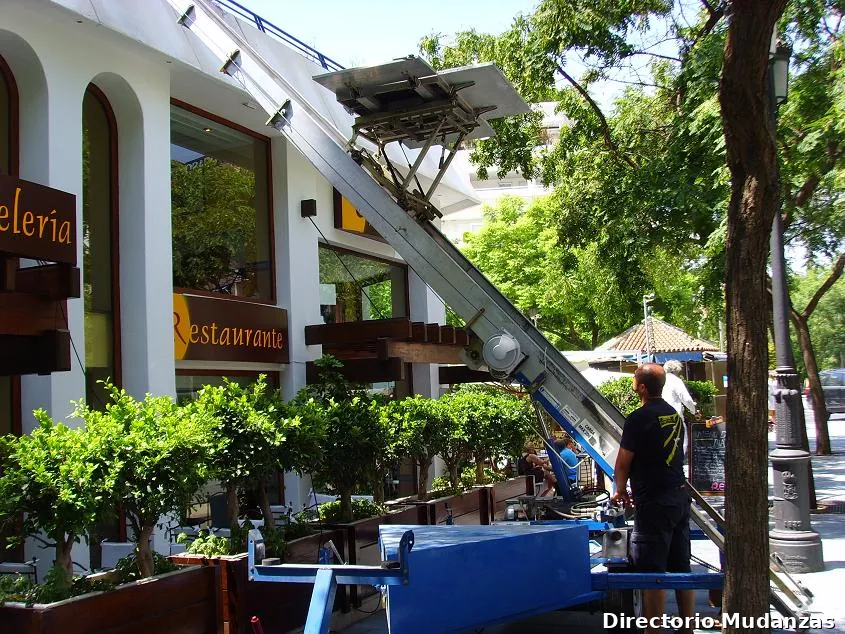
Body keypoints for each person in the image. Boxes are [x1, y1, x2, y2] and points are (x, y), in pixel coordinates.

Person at [610, 363, 695, 634]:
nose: (633, 380)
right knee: (681, 567)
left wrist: (619, 490)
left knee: (652, 571)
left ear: (643, 387)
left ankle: (653, 631)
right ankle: (687, 628)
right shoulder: (674, 415)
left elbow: (623, 461)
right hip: (678, 498)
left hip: (654, 502)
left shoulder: (638, 418)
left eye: (635, 377)